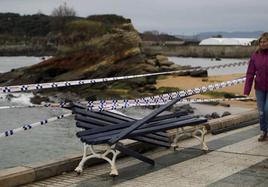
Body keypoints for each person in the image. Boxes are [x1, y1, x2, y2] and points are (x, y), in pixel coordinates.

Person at [244, 32, 268, 141]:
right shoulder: (255, 55)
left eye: (265, 41)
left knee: (267, 110)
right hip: (259, 88)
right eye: (261, 42)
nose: (262, 44)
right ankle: (263, 131)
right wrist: (246, 90)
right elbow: (250, 73)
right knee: (261, 111)